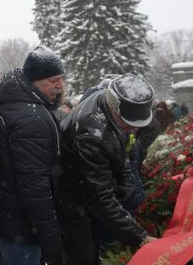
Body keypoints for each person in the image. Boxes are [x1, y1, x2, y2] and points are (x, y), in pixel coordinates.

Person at [56, 74, 157, 265]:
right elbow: (99, 197)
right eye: (129, 124)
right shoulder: (91, 135)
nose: (133, 130)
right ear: (114, 108)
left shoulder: (109, 102)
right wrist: (140, 237)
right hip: (73, 199)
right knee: (84, 256)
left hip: (90, 187)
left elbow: (122, 150)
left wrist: (127, 186)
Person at [0, 46, 65, 265]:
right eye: (53, 80)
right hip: (24, 228)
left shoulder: (11, 103)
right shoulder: (31, 117)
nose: (59, 86)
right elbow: (34, 187)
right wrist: (51, 239)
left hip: (11, 221)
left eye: (61, 79)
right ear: (34, 81)